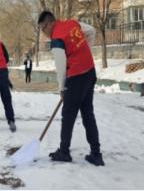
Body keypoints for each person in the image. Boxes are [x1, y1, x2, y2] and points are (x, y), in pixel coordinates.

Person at [37, 10, 105, 166]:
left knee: (68, 115)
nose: (44, 32)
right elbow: (91, 31)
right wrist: (84, 51)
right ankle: (96, 154)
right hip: (89, 72)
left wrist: (62, 89)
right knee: (88, 113)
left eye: (43, 28)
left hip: (76, 77)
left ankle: (64, 152)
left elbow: (61, 66)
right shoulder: (72, 23)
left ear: (49, 23)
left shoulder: (56, 39)